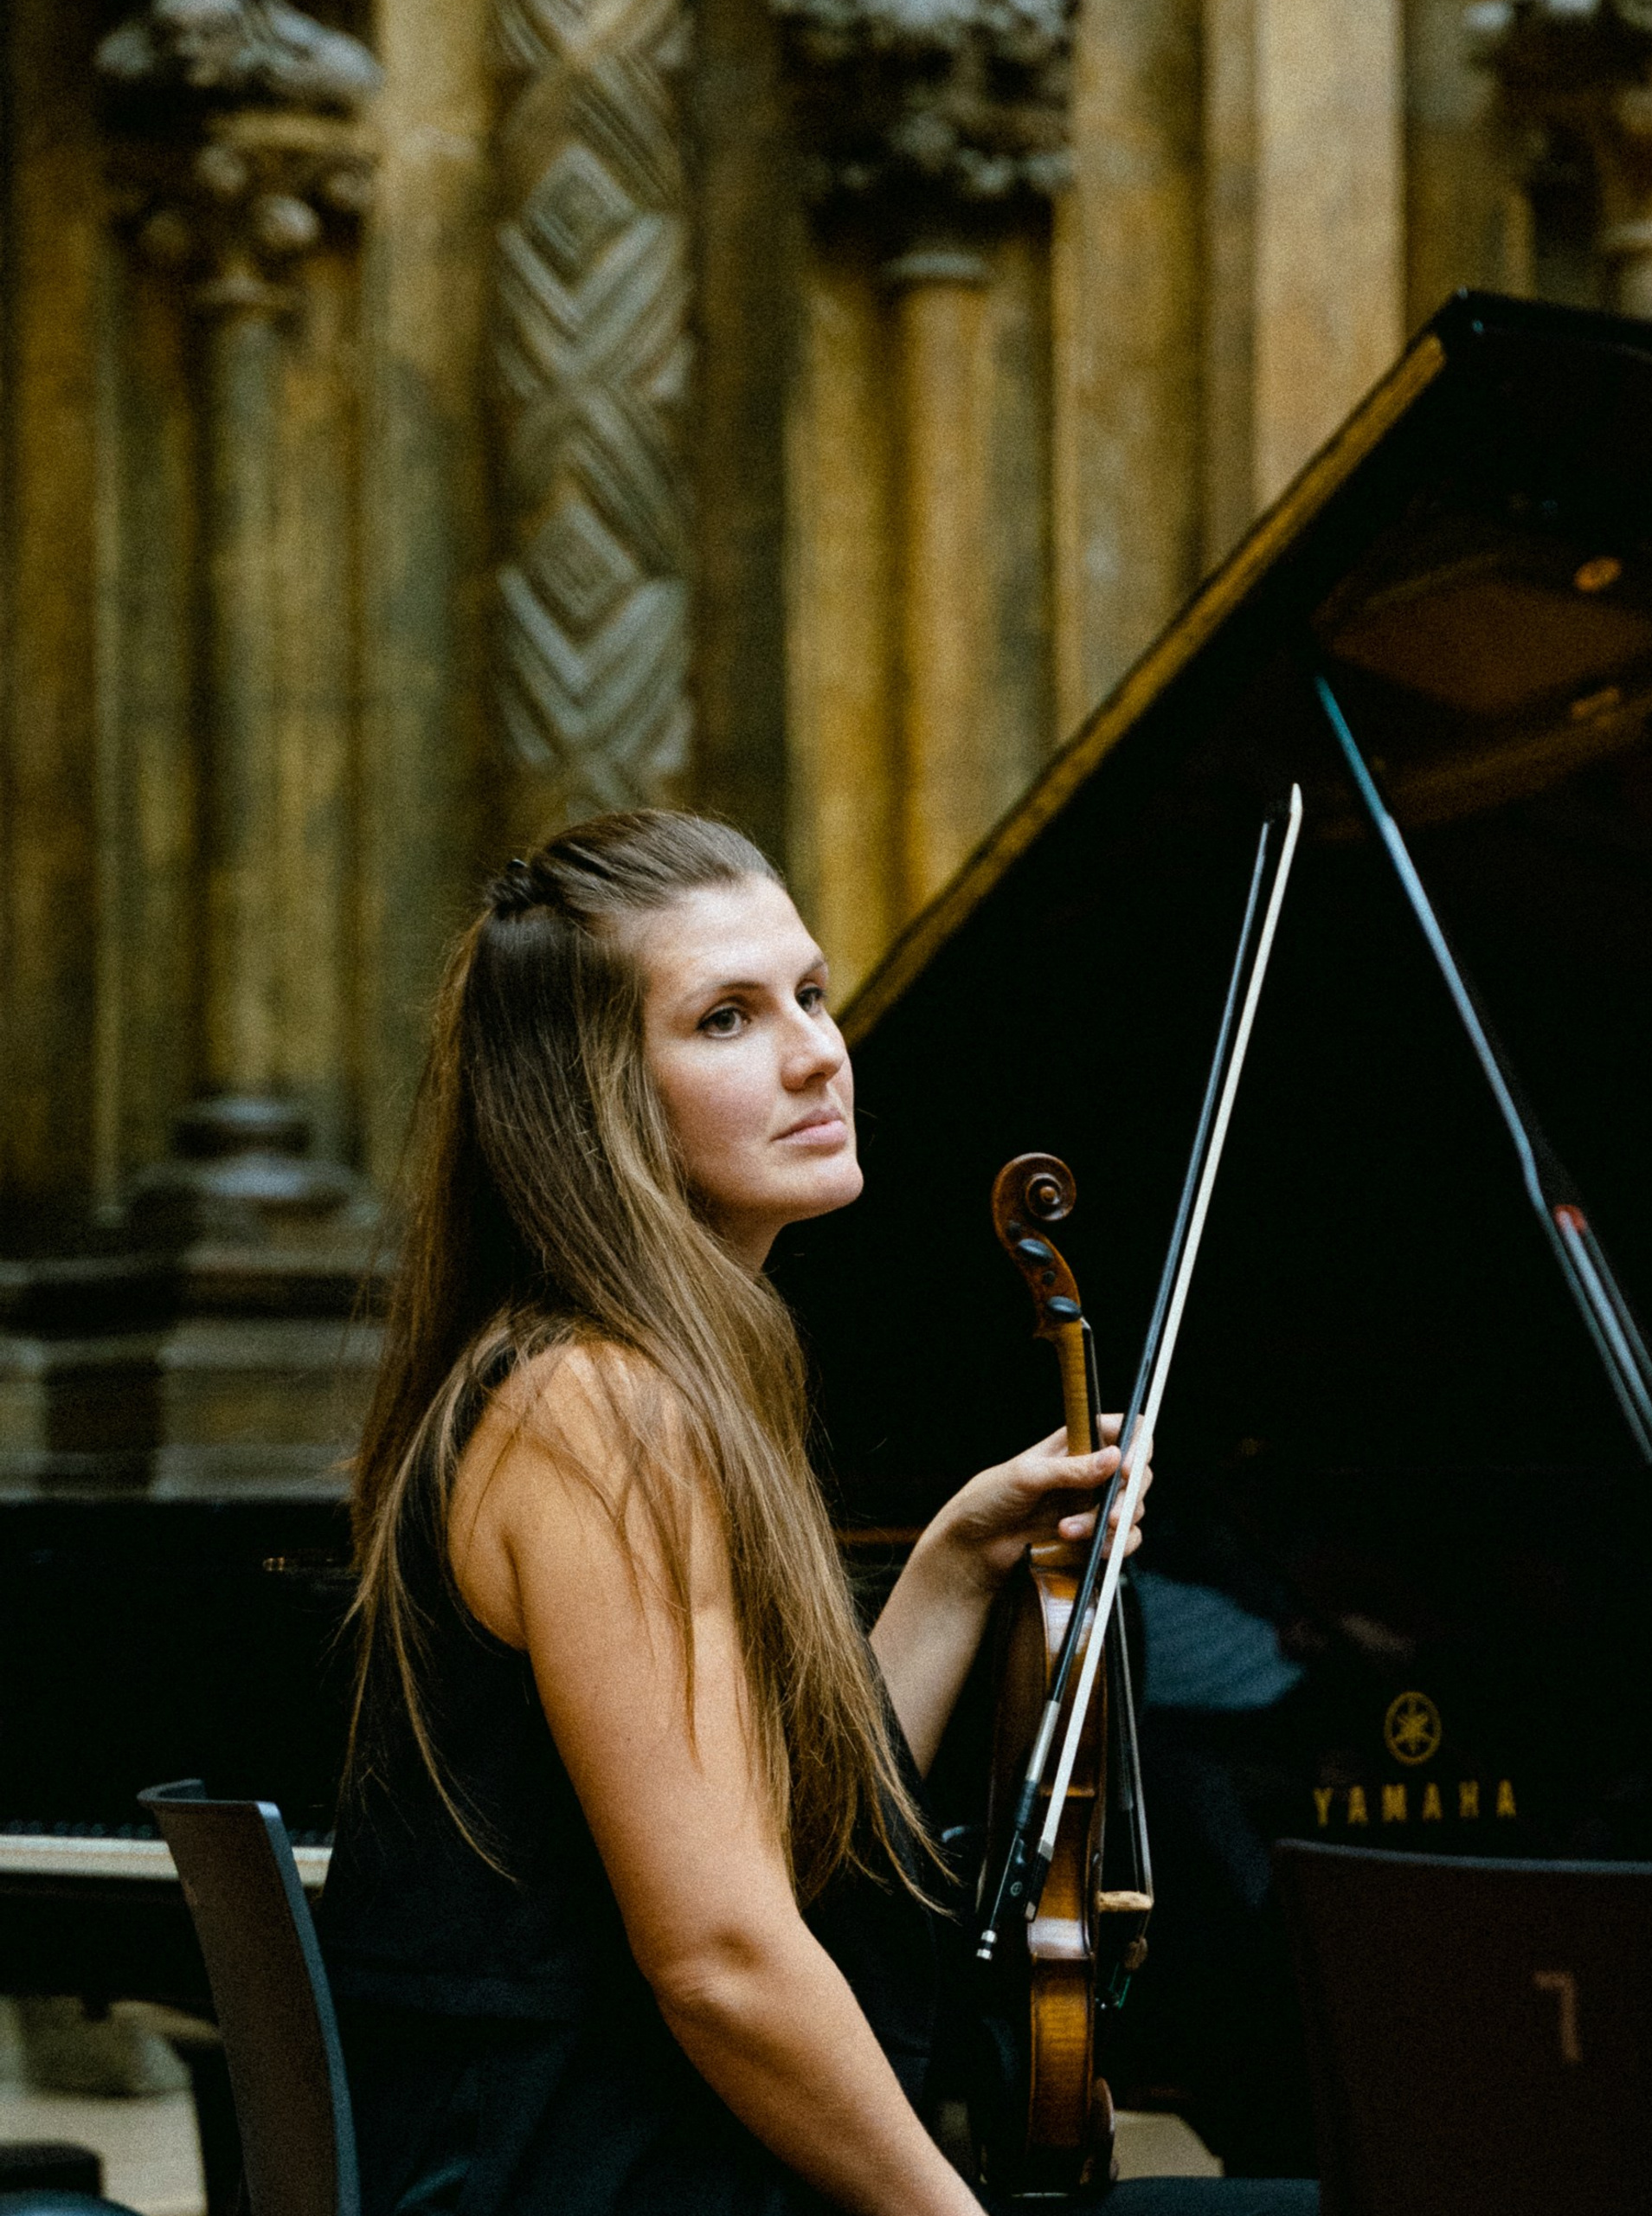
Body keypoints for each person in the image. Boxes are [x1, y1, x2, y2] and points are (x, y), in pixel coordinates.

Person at [318, 809, 1315, 2216]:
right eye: (725, 1018)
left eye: (810, 994)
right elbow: (723, 1960)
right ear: (591, 1096)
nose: (814, 1052)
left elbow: (784, 1853)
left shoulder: (642, 1375)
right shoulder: (601, 1407)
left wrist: (960, 1561)